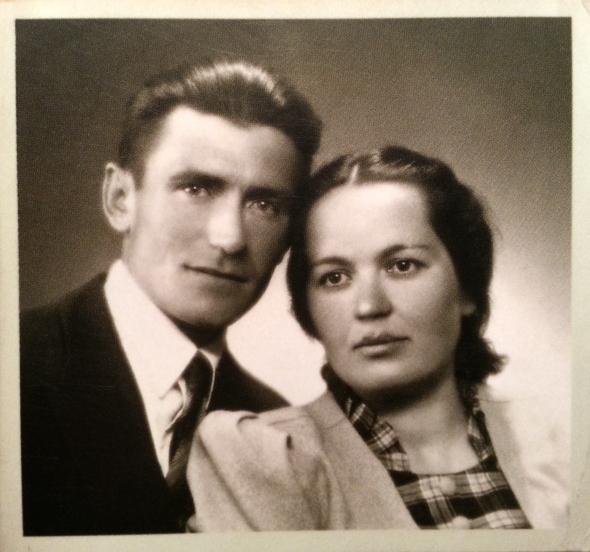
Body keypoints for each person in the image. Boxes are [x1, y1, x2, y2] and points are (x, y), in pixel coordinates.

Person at [187, 146, 569, 530]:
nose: (370, 306)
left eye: (402, 266)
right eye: (334, 277)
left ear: (467, 287)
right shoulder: (263, 455)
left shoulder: (561, 441)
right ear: (308, 307)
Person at [19, 60, 322, 536]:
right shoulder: (16, 364)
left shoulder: (274, 427)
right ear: (120, 198)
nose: (230, 238)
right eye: (196, 188)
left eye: (265, 204)